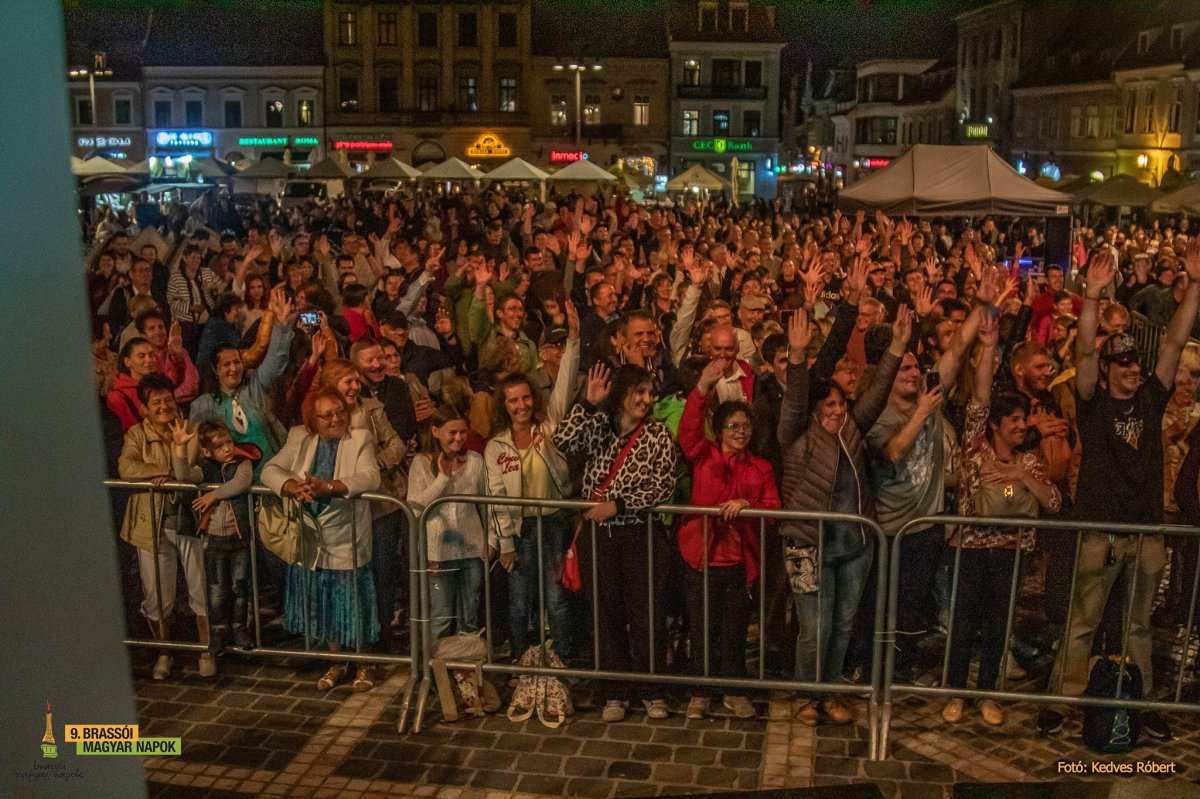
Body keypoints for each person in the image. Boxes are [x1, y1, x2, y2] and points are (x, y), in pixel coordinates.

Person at [1040, 242, 1200, 741]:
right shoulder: (1091, 402)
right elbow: (1086, 349)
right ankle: (1060, 703)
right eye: (1124, 362)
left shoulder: (1152, 398)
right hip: (1099, 532)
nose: (1133, 367)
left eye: (1136, 361)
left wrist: (1194, 285)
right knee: (1082, 623)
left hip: (1145, 530)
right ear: (1108, 370)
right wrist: (1090, 295)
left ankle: (1143, 705)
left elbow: (1173, 344)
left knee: (1139, 627)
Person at [777, 306, 909, 726]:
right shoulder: (796, 434)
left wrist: (898, 348)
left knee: (841, 625)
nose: (837, 410)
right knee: (813, 629)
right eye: (828, 405)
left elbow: (878, 392)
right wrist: (797, 357)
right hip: (807, 543)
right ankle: (805, 696)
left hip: (853, 546)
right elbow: (796, 401)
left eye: (840, 403)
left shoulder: (853, 427)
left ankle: (831, 690)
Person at [941, 313, 1060, 726]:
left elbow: (1055, 502)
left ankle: (989, 694)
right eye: (1014, 421)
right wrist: (990, 345)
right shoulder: (976, 446)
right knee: (963, 625)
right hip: (970, 549)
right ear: (994, 424)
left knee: (997, 628)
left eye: (1024, 422)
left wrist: (1021, 476)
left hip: (1010, 551)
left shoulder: (1029, 460)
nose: (1022, 426)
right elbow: (980, 394)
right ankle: (955, 692)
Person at [553, 363, 679, 722]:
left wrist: (619, 505)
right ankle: (614, 691)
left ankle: (652, 688)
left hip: (639, 535)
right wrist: (589, 404)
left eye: (649, 393)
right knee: (605, 615)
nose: (646, 399)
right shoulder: (600, 428)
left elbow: (663, 485)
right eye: (639, 391)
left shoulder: (657, 435)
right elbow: (564, 441)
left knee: (647, 614)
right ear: (622, 393)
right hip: (600, 538)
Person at [260, 387, 381, 691]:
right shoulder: (300, 437)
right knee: (325, 603)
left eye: (339, 411)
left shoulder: (360, 438)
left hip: (347, 535)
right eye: (325, 415)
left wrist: (328, 486)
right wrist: (290, 486)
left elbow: (369, 476)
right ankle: (337, 661)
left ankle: (366, 663)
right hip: (314, 537)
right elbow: (269, 470)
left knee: (353, 602)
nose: (335, 419)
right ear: (312, 420)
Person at [678, 363, 781, 719]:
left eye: (746, 426)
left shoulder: (760, 467)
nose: (741, 432)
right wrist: (702, 386)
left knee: (735, 629)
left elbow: (773, 506)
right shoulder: (703, 456)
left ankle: (735, 690)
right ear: (719, 430)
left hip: (738, 561)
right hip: (702, 556)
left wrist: (747, 504)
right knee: (702, 627)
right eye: (733, 426)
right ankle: (701, 691)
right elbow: (688, 430)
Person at [484, 302, 581, 663]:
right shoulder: (496, 445)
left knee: (556, 597)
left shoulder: (548, 428)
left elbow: (566, 384)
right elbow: (494, 497)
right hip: (520, 529)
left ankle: (564, 658)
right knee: (520, 598)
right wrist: (504, 543)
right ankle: (522, 659)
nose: (522, 405)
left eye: (526, 398)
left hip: (554, 520)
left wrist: (573, 341)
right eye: (514, 401)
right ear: (504, 405)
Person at [117, 373, 211, 680]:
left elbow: (192, 469)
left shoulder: (192, 430)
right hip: (150, 524)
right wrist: (161, 471)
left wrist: (172, 471)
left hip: (189, 521)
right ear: (144, 407)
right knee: (158, 595)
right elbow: (126, 467)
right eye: (155, 402)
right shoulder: (137, 434)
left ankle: (206, 650)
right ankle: (164, 652)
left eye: (167, 399)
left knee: (200, 589)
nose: (163, 406)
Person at [318, 358, 407, 664]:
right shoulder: (322, 413)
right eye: (348, 381)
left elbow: (396, 442)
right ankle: (346, 640)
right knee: (346, 577)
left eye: (357, 381)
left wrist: (376, 465)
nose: (355, 386)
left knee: (381, 573)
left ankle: (380, 633)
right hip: (341, 512)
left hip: (378, 505)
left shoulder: (371, 409)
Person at [174, 420, 260, 666]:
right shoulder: (205, 467)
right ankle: (219, 632)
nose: (227, 449)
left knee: (239, 586)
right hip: (213, 538)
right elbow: (184, 476)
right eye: (220, 446)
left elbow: (241, 482)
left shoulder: (241, 464)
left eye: (229, 443)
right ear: (207, 451)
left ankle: (239, 628)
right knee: (216, 590)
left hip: (239, 536)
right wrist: (180, 449)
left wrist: (214, 494)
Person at [406, 405, 487, 640]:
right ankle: (437, 671)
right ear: (435, 431)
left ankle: (466, 670)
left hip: (471, 549)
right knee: (441, 616)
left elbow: (485, 504)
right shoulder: (421, 462)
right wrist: (442, 478)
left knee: (470, 617)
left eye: (462, 432)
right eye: (452, 432)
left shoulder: (475, 461)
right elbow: (415, 506)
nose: (459, 438)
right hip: (438, 552)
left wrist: (491, 540)